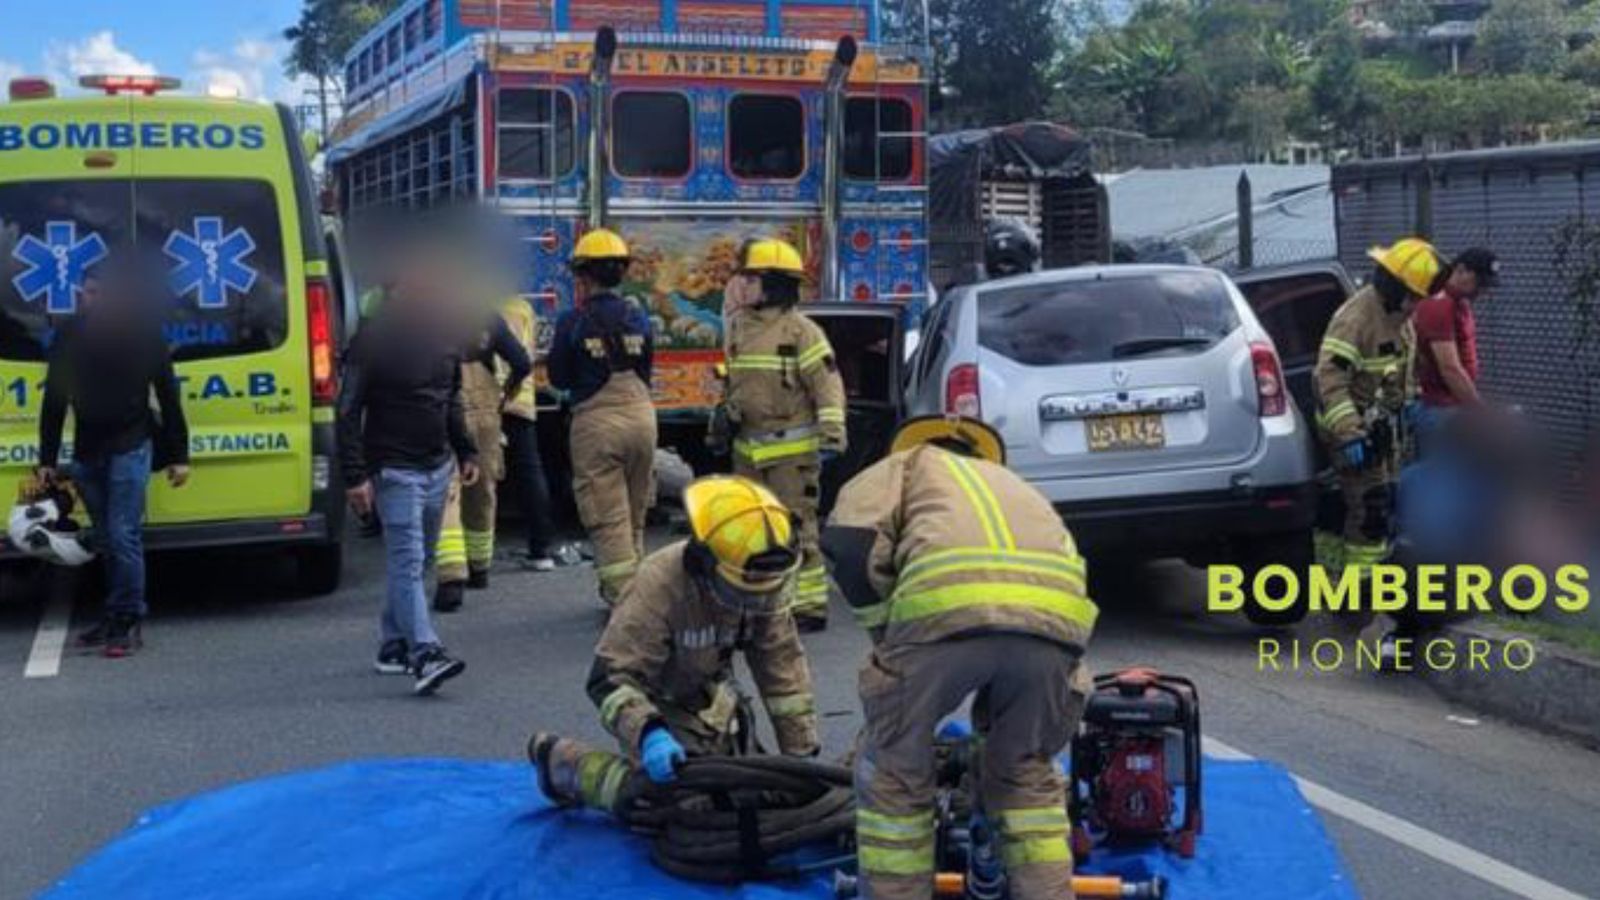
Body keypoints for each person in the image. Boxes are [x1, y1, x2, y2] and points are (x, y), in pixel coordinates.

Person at [821, 416, 1097, 900]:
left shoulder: (903, 467)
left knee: (897, 775)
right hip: (1055, 630)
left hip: (941, 615)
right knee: (1024, 773)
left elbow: (850, 545)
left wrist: (887, 635)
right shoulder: (1017, 485)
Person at [529, 475, 820, 812]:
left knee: (759, 793)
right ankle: (569, 766)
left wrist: (801, 759)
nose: (753, 604)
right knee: (676, 806)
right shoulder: (659, 587)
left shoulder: (759, 583)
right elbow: (608, 681)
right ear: (705, 564)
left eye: (765, 592)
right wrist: (649, 732)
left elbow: (784, 675)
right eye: (741, 592)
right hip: (656, 706)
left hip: (713, 701)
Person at [338, 257, 478, 696]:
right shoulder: (372, 340)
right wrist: (356, 476)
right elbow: (347, 411)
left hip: (437, 465)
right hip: (395, 468)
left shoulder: (444, 338)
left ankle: (392, 644)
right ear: (394, 294)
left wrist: (466, 449)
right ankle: (425, 652)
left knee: (417, 564)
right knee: (406, 560)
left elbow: (450, 398)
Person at [36, 267, 191, 658]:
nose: (97, 300)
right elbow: (54, 399)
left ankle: (127, 619)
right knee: (105, 538)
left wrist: (179, 455)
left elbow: (168, 395)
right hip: (87, 451)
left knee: (123, 536)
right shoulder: (69, 336)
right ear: (81, 296)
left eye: (106, 293)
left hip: (130, 446)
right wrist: (47, 459)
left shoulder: (142, 335)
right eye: (90, 292)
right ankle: (113, 613)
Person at [722, 238, 846, 632]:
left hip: (791, 454)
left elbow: (827, 385)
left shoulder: (802, 332)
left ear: (774, 284)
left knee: (796, 526)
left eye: (751, 278)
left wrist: (832, 430)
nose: (742, 286)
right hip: (747, 450)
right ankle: (761, 599)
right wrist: (720, 420)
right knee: (752, 530)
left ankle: (808, 605)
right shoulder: (739, 327)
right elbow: (733, 382)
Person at [1313, 237, 1442, 579]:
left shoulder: (1399, 317)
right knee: (1371, 508)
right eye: (1413, 296)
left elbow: (1400, 370)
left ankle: (1369, 579)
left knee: (1388, 504)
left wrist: (1410, 405)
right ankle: (1360, 593)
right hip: (1352, 431)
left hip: (1382, 430)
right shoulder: (1356, 320)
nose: (1416, 305)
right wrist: (1350, 434)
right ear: (1394, 286)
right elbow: (1329, 378)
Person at [548, 228, 657, 607]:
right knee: (635, 511)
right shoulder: (638, 317)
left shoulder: (571, 321)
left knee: (608, 517)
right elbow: (646, 368)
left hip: (597, 423)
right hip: (643, 418)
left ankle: (624, 601)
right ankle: (642, 591)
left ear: (583, 276)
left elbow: (559, 377)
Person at [432, 308, 533, 612]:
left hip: (446, 410)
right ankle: (479, 568)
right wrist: (506, 394)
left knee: (448, 490)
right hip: (487, 413)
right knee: (483, 489)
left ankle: (451, 576)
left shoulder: (431, 320)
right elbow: (522, 362)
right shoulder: (488, 320)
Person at [497, 295, 565, 572]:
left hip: (487, 400)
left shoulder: (473, 306)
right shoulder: (522, 307)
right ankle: (541, 549)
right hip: (521, 399)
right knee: (529, 470)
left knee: (474, 473)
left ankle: (471, 555)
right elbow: (531, 354)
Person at [1413, 248, 1498, 440]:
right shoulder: (1440, 306)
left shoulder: (1459, 303)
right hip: (1440, 409)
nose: (1482, 291)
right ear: (1460, 270)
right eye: (1479, 283)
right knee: (1444, 466)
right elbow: (1450, 368)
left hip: (1453, 405)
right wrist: (1479, 410)